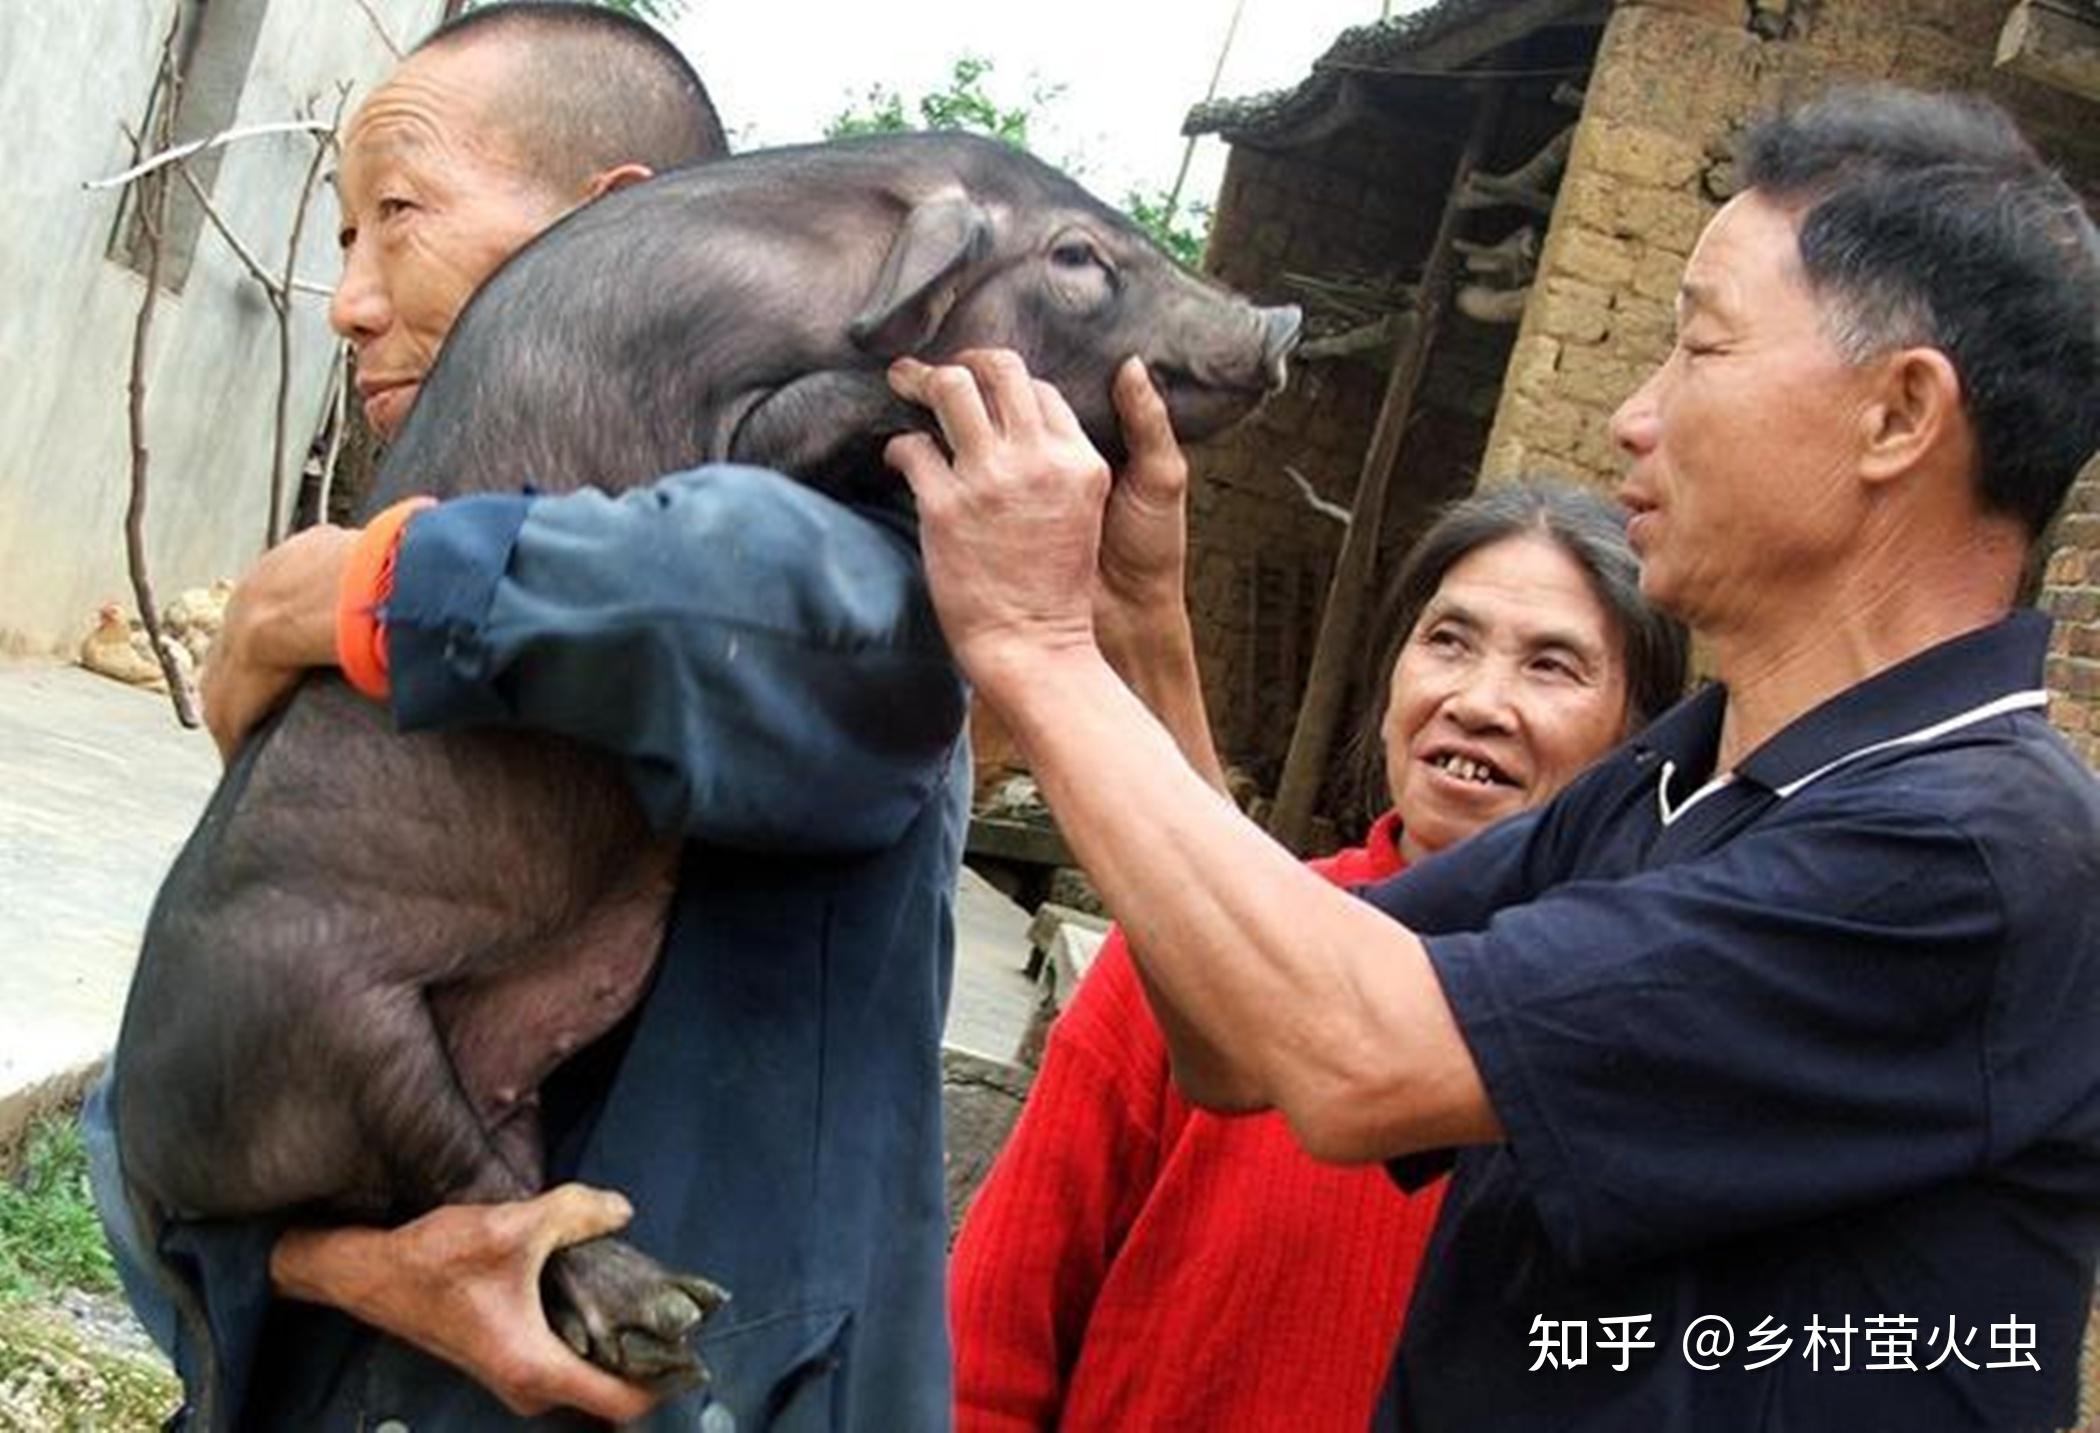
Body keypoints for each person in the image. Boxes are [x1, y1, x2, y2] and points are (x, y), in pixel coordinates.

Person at [888, 84, 2100, 1431]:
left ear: (1898, 415)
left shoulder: (1973, 852)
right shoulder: (1673, 790)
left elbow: (1353, 1053)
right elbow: (1244, 1035)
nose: (1634, 419)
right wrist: (1134, 628)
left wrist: (1034, 640)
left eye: (1699, 349)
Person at [84, 6, 1197, 1429]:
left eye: (397, 219)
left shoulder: (877, 558)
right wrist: (358, 1265)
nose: (349, 300)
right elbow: (170, 1096)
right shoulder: (405, 635)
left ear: (608, 232)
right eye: (342, 241)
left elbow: (742, 600)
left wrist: (368, 589)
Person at [950, 484, 1688, 1431]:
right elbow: (988, 1340)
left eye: (1553, 666)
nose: (1476, 701)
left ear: (1639, 740)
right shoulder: (1195, 951)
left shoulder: (1643, 1022)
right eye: (1448, 641)